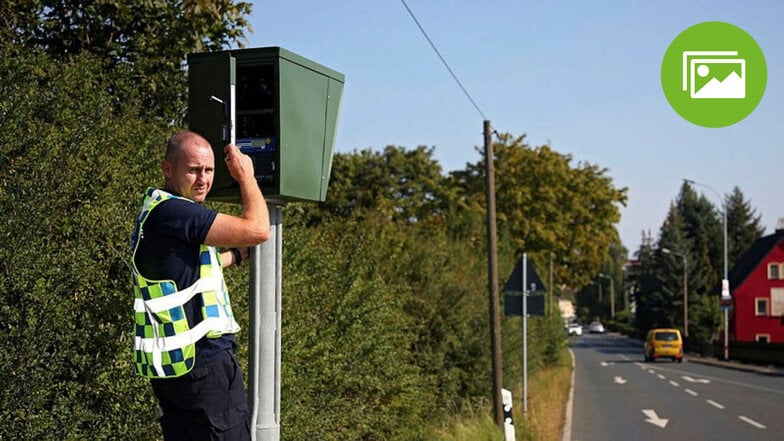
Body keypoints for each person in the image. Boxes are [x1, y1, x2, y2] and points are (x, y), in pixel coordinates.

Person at [130, 130, 270, 440]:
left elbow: (186, 272)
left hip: (177, 371)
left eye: (208, 170)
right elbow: (258, 229)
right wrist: (247, 177)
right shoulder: (177, 212)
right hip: (204, 367)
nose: (202, 180)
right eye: (193, 170)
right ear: (168, 169)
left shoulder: (155, 213)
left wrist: (234, 255)